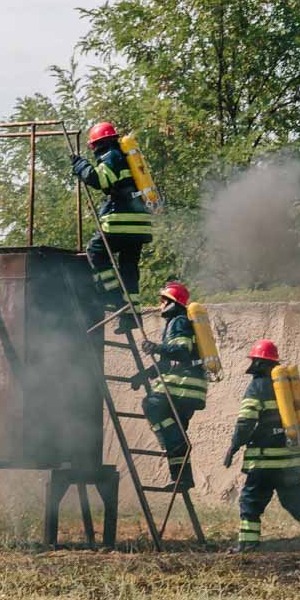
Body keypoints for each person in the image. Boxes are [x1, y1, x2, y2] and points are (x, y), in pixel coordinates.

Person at [223, 339, 300, 552]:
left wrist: (234, 446)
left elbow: (246, 422)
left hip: (265, 462)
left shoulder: (257, 386)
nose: (252, 364)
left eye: (255, 360)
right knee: (295, 500)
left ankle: (247, 544)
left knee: (250, 501)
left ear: (260, 363)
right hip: (290, 460)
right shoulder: (287, 386)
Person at [71, 122, 153, 332]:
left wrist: (80, 165)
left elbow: (100, 180)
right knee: (128, 269)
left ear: (97, 144)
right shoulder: (126, 157)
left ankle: (114, 296)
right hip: (140, 225)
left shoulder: (111, 156)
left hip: (120, 221)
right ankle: (131, 316)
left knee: (96, 251)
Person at [130, 281, 206, 490]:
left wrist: (156, 347)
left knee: (151, 405)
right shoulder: (174, 324)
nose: (160, 304)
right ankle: (182, 479)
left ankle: (176, 441)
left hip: (182, 386)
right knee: (175, 435)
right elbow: (166, 364)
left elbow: (182, 351)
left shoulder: (179, 321)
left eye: (163, 300)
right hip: (189, 388)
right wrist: (142, 376)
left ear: (173, 301)